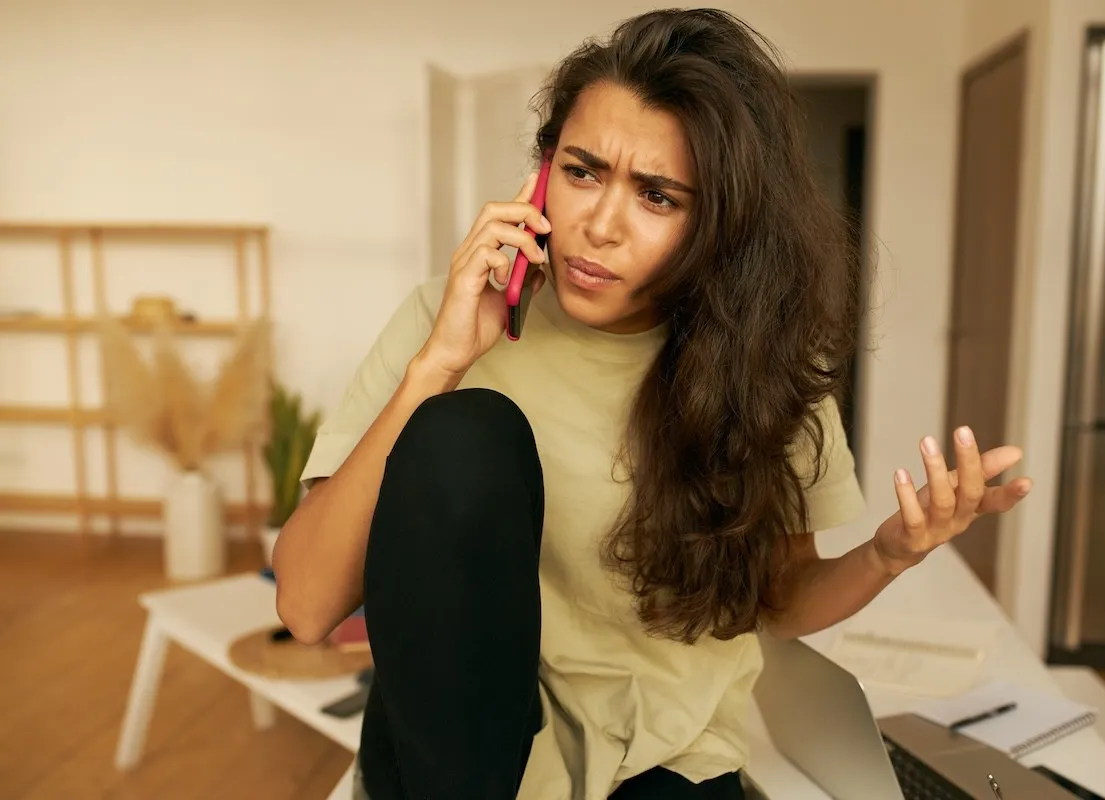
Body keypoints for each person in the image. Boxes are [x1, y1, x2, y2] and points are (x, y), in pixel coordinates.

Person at [272, 8, 1033, 800]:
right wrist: (440, 364)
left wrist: (887, 555)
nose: (599, 226)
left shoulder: (765, 367)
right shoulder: (449, 316)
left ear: (719, 224)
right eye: (582, 171)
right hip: (454, 766)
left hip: (658, 754)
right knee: (465, 431)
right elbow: (306, 604)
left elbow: (776, 598)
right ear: (540, 174)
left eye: (658, 197)